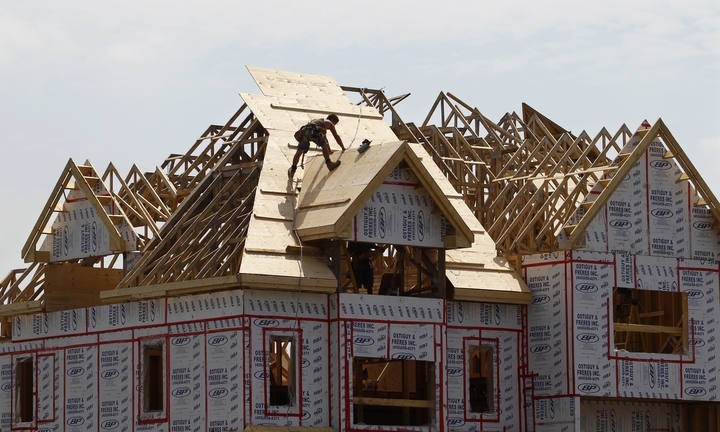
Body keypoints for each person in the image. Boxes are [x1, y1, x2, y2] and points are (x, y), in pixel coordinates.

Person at [289, 114, 345, 178]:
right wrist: (342, 147)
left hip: (305, 132)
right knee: (323, 145)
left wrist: (329, 151)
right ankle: (329, 164)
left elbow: (325, 140)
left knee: (299, 151)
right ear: (332, 120)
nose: (334, 125)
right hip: (313, 131)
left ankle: (293, 169)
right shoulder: (329, 123)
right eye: (335, 123)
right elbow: (336, 136)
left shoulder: (319, 123)